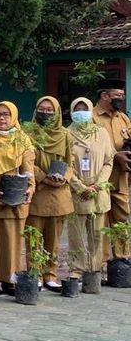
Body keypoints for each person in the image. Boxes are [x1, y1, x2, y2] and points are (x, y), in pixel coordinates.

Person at [0, 101, 35, 297]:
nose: (2, 118)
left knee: (12, 241)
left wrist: (30, 187)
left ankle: (9, 279)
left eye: (6, 114)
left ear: (14, 117)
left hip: (15, 195)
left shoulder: (22, 140)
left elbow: (28, 167)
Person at [25, 96, 74, 291]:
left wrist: (65, 178)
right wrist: (43, 177)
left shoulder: (65, 135)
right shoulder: (28, 133)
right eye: (41, 109)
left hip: (59, 193)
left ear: (57, 113)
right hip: (37, 191)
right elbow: (25, 161)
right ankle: (34, 273)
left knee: (53, 239)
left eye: (49, 110)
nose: (45, 113)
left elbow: (71, 162)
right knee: (33, 237)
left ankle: (50, 274)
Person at [66, 97, 114, 280]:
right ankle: (76, 270)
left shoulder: (101, 133)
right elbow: (66, 165)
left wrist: (99, 184)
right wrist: (79, 186)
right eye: (77, 109)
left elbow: (109, 161)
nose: (81, 113)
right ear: (71, 112)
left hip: (98, 192)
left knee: (97, 235)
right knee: (76, 235)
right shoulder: (67, 134)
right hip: (76, 192)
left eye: (84, 109)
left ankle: (96, 270)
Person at [93, 79, 131, 261]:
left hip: (120, 179)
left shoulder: (122, 117)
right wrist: (115, 155)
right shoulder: (91, 117)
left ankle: (122, 261)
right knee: (99, 222)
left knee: (122, 220)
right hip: (98, 180)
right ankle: (100, 264)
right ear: (105, 96)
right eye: (118, 95)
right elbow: (88, 147)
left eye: (123, 96)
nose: (121, 99)